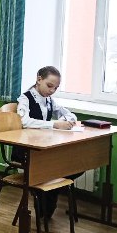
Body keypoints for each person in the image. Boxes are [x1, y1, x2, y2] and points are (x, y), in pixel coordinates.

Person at [15, 65, 80, 218]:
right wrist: (54, 124)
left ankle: (50, 193)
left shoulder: (49, 100)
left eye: (55, 88)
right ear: (39, 79)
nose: (52, 91)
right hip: (28, 150)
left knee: (77, 166)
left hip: (45, 147)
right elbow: (24, 121)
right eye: (49, 86)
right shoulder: (25, 98)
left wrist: (68, 120)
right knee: (56, 169)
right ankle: (45, 197)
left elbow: (69, 114)